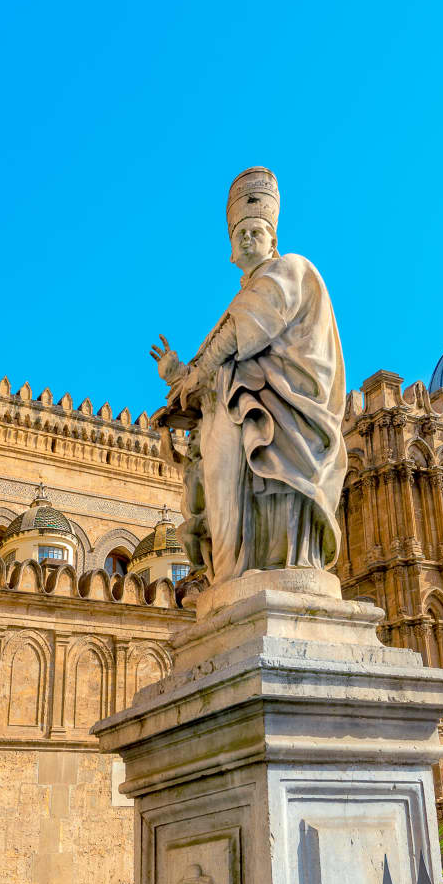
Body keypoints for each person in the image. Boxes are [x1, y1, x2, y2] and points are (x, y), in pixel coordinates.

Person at [151, 167, 347, 585]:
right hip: (244, 414)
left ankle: (275, 570)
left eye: (256, 231)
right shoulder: (243, 298)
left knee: (275, 489)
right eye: (239, 234)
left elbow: (243, 334)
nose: (246, 239)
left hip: (289, 416)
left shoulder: (291, 270)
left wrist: (193, 376)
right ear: (230, 251)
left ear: (273, 239)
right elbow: (226, 353)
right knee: (231, 506)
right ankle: (239, 577)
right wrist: (180, 377)